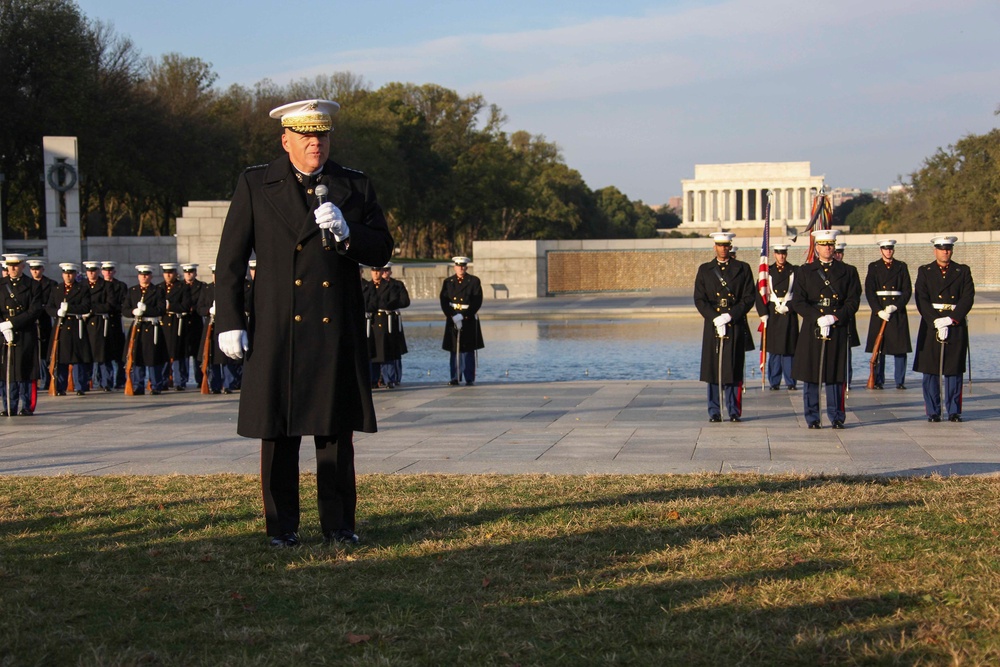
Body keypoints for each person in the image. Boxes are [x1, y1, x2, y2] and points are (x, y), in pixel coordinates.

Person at [214, 98, 394, 548]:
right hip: (278, 327)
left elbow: (382, 250)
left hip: (334, 328)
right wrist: (230, 320)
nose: (316, 143)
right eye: (307, 136)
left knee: (335, 433)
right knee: (278, 433)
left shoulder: (353, 185)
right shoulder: (257, 183)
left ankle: (339, 525)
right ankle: (282, 527)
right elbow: (231, 260)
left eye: (323, 135)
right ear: (286, 140)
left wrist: (349, 232)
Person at [790, 230, 861, 429]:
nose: (828, 248)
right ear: (817, 247)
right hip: (814, 328)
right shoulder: (804, 272)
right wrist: (818, 317)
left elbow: (853, 301)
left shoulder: (848, 271)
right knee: (812, 375)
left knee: (835, 375)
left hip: (836, 327)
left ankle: (837, 416)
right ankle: (812, 417)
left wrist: (835, 316)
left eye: (831, 244)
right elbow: (798, 301)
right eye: (823, 244)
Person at [693, 232, 755, 422]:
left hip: (733, 323)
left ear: (730, 247)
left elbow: (748, 297)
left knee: (733, 368)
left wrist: (730, 315)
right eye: (719, 245)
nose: (723, 249)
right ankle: (714, 411)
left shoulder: (743, 269)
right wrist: (715, 317)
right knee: (713, 370)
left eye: (726, 245)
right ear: (715, 247)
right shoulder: (705, 270)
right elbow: (700, 299)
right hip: (713, 325)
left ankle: (734, 410)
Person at [913, 236, 974, 422]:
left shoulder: (962, 271)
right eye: (941, 248)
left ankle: (954, 410)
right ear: (935, 251)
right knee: (930, 370)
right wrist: (936, 321)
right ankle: (933, 410)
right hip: (932, 325)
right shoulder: (925, 271)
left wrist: (951, 319)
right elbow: (921, 299)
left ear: (952, 250)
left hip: (954, 324)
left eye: (948, 248)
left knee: (953, 369)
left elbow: (967, 298)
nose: (945, 251)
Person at [864, 239, 912, 390]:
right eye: (885, 249)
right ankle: (878, 379)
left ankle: (900, 380)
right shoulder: (874, 267)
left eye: (890, 249)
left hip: (896, 311)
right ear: (881, 250)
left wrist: (896, 306)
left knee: (900, 348)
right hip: (880, 311)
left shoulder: (901, 266)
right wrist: (878, 310)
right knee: (879, 348)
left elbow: (907, 290)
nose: (888, 251)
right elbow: (870, 291)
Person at [0, 254, 42, 415]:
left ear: (23, 266)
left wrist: (13, 323)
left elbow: (35, 310)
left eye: (16, 265)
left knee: (25, 369)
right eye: (9, 265)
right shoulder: (1, 284)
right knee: (6, 371)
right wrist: (3, 326)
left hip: (24, 332)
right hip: (4, 332)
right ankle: (9, 404)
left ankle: (26, 406)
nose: (12, 268)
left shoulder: (32, 285)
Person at [755, 243, 798, 390]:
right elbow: (759, 294)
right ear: (774, 254)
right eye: (779, 253)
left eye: (784, 253)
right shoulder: (767, 272)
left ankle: (791, 381)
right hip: (773, 313)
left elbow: (800, 294)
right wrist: (763, 314)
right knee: (774, 350)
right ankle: (774, 381)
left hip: (788, 313)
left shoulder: (794, 271)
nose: (781, 256)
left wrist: (790, 307)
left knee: (789, 349)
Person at [45, 263, 92, 396]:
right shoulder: (57, 289)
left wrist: (69, 309)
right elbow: (49, 307)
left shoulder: (82, 289)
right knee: (61, 358)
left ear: (75, 274)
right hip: (61, 325)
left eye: (71, 273)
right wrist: (57, 312)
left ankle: (79, 386)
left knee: (78, 358)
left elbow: (86, 307)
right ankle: (60, 387)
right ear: (62, 274)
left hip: (76, 326)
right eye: (66, 273)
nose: (68, 276)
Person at [363, 263, 410, 389]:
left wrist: (383, 305)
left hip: (385, 321)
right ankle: (374, 379)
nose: (377, 273)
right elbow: (365, 302)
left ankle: (389, 379)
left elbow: (394, 300)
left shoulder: (390, 286)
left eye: (380, 270)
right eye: (375, 270)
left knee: (386, 351)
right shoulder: (368, 286)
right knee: (373, 352)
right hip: (372, 322)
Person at [124, 265, 168, 395]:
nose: (144, 277)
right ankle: (138, 385)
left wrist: (146, 309)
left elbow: (161, 310)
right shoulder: (132, 291)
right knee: (137, 357)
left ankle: (156, 385)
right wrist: (133, 311)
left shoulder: (157, 291)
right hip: (138, 327)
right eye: (142, 274)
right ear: (138, 276)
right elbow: (125, 309)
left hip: (151, 327)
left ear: (151, 276)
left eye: (147, 274)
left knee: (153, 357)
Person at [440, 256, 484, 386]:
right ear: (454, 267)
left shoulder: (474, 281)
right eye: (458, 266)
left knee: (468, 349)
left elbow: (477, 300)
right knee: (454, 349)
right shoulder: (448, 282)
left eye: (463, 266)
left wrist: (465, 315)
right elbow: (444, 300)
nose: (461, 268)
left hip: (468, 318)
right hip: (453, 318)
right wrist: (451, 315)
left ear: (466, 267)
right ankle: (455, 377)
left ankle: (469, 377)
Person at [196, 265, 240, 394]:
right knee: (212, 356)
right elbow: (200, 308)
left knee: (226, 357)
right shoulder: (207, 289)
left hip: (224, 324)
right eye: (214, 273)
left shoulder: (227, 288)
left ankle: (228, 384)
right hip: (211, 325)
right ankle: (214, 384)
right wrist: (209, 310)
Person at [158, 263, 191, 390]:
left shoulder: (182, 287)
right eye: (166, 272)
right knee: (164, 352)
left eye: (170, 272)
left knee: (178, 352)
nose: (168, 275)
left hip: (177, 323)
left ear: (175, 274)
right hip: (163, 322)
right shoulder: (159, 287)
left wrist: (169, 306)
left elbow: (186, 306)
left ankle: (180, 381)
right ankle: (164, 380)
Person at [833, 240, 862, 386]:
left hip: (845, 316)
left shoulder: (850, 270)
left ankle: (846, 381)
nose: (838, 255)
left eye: (840, 253)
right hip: (828, 316)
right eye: (836, 252)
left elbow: (855, 294)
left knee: (846, 352)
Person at [27, 259, 58, 391]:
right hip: (31, 320)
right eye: (33, 269)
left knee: (45, 352)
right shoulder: (27, 284)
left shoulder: (50, 284)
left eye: (38, 268)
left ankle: (46, 379)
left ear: (42, 269)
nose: (35, 271)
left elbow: (52, 302)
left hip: (45, 319)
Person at [81, 261, 109, 392]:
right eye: (89, 271)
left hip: (98, 322)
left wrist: (91, 309)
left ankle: (105, 382)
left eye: (93, 270)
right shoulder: (81, 286)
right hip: (83, 323)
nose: (91, 273)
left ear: (98, 271)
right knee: (85, 354)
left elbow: (110, 304)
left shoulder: (105, 286)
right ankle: (85, 381)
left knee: (101, 354)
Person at [100, 261, 129, 390]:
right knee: (103, 353)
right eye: (106, 270)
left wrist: (110, 307)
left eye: (110, 270)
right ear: (102, 271)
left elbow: (123, 304)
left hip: (115, 321)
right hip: (101, 322)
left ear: (114, 271)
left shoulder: (121, 286)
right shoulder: (99, 285)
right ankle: (105, 381)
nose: (108, 272)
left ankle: (120, 380)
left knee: (119, 353)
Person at [181, 264, 207, 388]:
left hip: (196, 321)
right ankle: (182, 379)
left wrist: (194, 308)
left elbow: (203, 301)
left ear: (195, 273)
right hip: (183, 323)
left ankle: (199, 378)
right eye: (186, 272)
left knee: (198, 353)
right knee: (184, 353)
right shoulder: (179, 286)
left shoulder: (201, 286)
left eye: (191, 272)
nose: (189, 274)